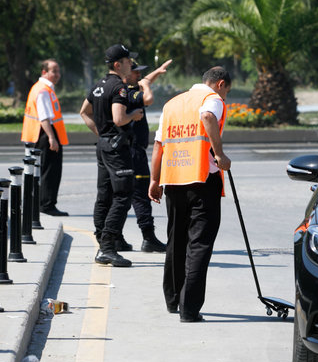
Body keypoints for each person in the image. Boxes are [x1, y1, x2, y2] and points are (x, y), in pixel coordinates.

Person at [148, 66, 232, 323]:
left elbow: (159, 145)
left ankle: (173, 300)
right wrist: (219, 154)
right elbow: (207, 117)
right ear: (219, 84)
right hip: (201, 179)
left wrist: (154, 179)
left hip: (173, 179)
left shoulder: (172, 104)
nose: (225, 96)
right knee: (199, 244)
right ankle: (189, 308)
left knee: (176, 240)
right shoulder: (211, 100)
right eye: (226, 91)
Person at [79, 44, 143, 267]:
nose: (131, 64)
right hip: (116, 150)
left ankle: (104, 241)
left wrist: (102, 134)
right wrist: (133, 114)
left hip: (104, 146)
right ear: (118, 65)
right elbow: (118, 119)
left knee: (104, 195)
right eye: (128, 61)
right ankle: (107, 246)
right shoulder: (119, 87)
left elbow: (83, 112)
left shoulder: (99, 85)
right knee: (124, 194)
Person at [117, 58, 173, 253]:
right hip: (134, 152)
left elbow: (143, 81)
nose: (140, 75)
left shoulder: (123, 91)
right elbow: (147, 96)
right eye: (135, 71)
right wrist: (147, 85)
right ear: (125, 72)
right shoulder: (131, 94)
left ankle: (115, 237)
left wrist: (156, 72)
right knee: (140, 195)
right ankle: (148, 238)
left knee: (123, 195)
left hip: (128, 151)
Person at [21, 59, 69, 216]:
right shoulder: (43, 90)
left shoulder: (42, 88)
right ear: (44, 72)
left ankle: (44, 203)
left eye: (58, 71)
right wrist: (52, 138)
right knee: (51, 171)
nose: (57, 74)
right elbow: (44, 118)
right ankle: (47, 205)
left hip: (40, 135)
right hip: (45, 135)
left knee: (46, 171)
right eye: (53, 71)